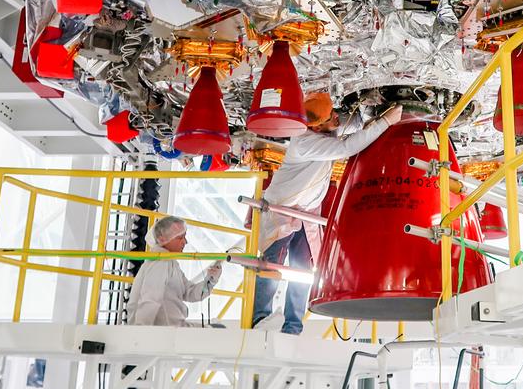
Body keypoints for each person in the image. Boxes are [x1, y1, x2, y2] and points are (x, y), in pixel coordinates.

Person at [251, 93, 403, 334]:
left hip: (306, 213)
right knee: (273, 266)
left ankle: (293, 326)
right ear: (317, 125)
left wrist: (372, 112)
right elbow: (347, 147)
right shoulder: (304, 142)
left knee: (302, 268)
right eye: (330, 117)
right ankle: (260, 321)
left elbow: (349, 124)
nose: (336, 117)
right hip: (282, 208)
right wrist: (386, 123)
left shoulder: (321, 130)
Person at [126, 216, 222, 326]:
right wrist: (140, 332)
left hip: (170, 328)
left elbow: (190, 292)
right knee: (216, 329)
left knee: (216, 328)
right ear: (162, 239)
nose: (185, 242)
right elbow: (150, 300)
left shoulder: (171, 264)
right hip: (164, 331)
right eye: (180, 237)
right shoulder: (160, 263)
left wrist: (211, 279)